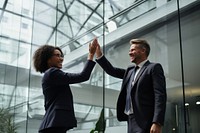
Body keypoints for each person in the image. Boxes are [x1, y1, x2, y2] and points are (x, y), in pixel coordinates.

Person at [94, 38, 167, 133]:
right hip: (131, 119)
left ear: (143, 50)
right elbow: (111, 70)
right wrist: (99, 55)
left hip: (146, 120)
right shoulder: (130, 70)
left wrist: (157, 122)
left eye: (132, 50)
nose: (130, 53)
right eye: (129, 50)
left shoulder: (153, 68)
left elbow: (160, 96)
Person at [33, 39, 97, 133]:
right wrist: (91, 54)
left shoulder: (49, 75)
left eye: (61, 56)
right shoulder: (52, 73)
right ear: (48, 59)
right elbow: (83, 76)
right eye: (57, 55)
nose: (61, 58)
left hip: (53, 124)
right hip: (54, 124)